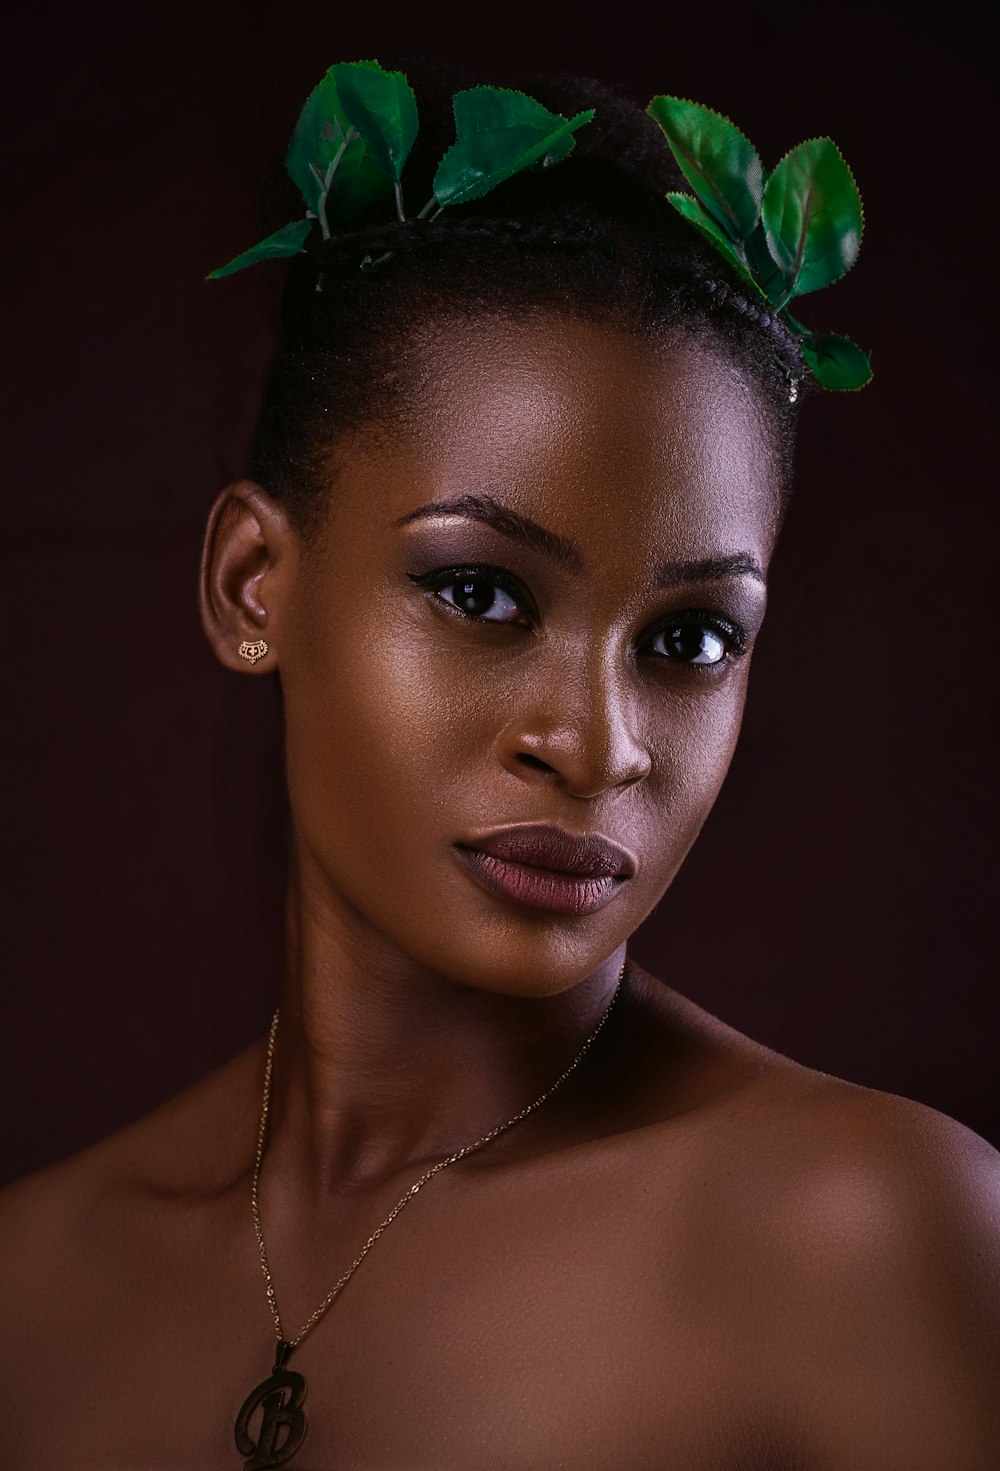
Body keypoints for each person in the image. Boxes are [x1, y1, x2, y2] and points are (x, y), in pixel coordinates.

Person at [2, 61, 997, 1471]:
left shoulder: (870, 1237)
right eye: (483, 594)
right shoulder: (32, 1295)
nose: (597, 745)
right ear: (251, 585)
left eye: (695, 636)